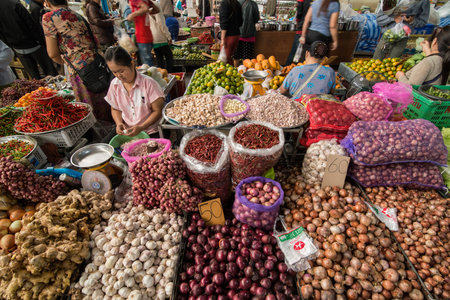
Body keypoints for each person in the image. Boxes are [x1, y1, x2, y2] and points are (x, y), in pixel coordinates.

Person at [42, 0, 112, 122]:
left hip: (81, 71)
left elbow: (52, 53)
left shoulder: (49, 17)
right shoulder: (76, 14)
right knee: (105, 104)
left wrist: (68, 63)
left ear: (47, 2)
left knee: (91, 111)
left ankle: (104, 135)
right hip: (97, 64)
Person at [104, 46, 165, 137]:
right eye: (114, 72)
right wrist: (119, 123)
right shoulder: (114, 85)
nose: (118, 75)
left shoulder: (149, 84)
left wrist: (141, 127)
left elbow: (158, 111)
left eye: (121, 71)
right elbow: (115, 108)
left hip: (150, 130)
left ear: (132, 64)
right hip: (128, 130)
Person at [0, 0, 58, 79]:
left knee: (35, 77)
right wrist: (41, 41)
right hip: (33, 44)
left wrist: (11, 47)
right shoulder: (15, 4)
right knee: (50, 72)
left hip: (18, 47)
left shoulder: (14, 4)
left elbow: (1, 35)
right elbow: (31, 24)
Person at [127, 0, 160, 66]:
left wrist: (132, 15)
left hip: (142, 36)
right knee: (149, 61)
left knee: (147, 64)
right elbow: (157, 9)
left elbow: (145, 8)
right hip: (148, 35)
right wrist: (144, 13)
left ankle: (151, 76)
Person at [149, 1, 173, 72]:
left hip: (153, 37)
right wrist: (168, 36)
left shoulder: (146, 5)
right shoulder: (155, 4)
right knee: (169, 57)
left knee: (159, 60)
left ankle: (162, 77)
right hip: (161, 37)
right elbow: (161, 22)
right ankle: (169, 75)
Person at [233, 0, 259, 66]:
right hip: (249, 35)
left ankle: (235, 71)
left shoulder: (235, 3)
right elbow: (256, 18)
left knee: (236, 56)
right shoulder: (253, 4)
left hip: (237, 34)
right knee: (247, 59)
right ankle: (246, 74)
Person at [286, 0, 312, 65]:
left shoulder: (302, 1)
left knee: (295, 52)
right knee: (304, 54)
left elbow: (299, 14)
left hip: (302, 29)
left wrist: (298, 23)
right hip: (310, 31)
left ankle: (287, 68)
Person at [219, 0, 243, 66]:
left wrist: (222, 39)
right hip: (236, 35)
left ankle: (230, 74)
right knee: (228, 59)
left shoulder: (224, 3)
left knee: (224, 61)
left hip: (229, 36)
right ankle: (233, 73)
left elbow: (224, 23)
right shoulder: (237, 3)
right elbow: (241, 22)